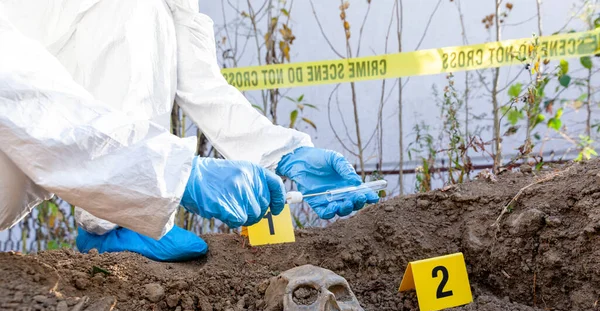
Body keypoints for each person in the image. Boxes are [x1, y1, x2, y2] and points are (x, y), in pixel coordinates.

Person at [0, 0, 379, 262]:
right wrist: (174, 175)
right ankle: (112, 220)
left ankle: (120, 220)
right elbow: (18, 92)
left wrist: (284, 152)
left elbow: (199, 79)